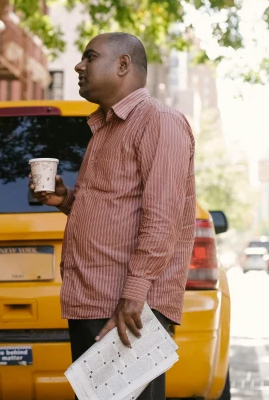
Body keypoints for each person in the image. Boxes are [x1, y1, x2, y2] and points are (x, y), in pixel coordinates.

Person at [31, 32, 196, 400]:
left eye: (90, 56)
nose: (79, 65)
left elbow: (162, 219)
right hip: (94, 300)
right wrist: (65, 201)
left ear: (123, 64)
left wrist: (133, 296)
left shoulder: (160, 122)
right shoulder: (104, 127)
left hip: (128, 308)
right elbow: (115, 211)